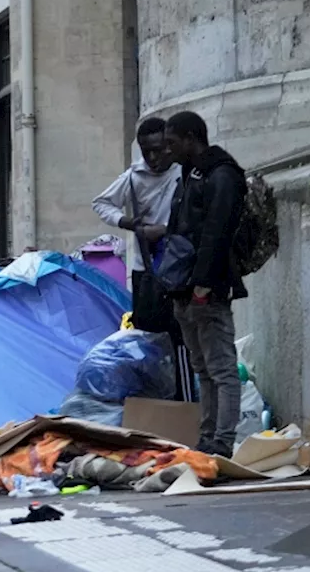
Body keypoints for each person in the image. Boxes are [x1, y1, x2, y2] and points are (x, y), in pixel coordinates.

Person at [92, 118, 196, 401]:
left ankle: (184, 404)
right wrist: (128, 222)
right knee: (147, 338)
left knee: (180, 339)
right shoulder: (133, 177)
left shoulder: (183, 173)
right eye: (146, 150)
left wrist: (165, 230)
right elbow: (101, 203)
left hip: (178, 269)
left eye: (159, 149)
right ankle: (152, 401)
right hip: (146, 272)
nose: (152, 157)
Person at [163, 111, 248, 456]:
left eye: (172, 143)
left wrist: (203, 283)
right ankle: (209, 437)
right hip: (184, 288)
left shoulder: (221, 175)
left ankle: (221, 442)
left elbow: (217, 231)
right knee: (204, 369)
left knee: (221, 368)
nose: (167, 151)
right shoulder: (191, 175)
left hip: (206, 289)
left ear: (191, 138)